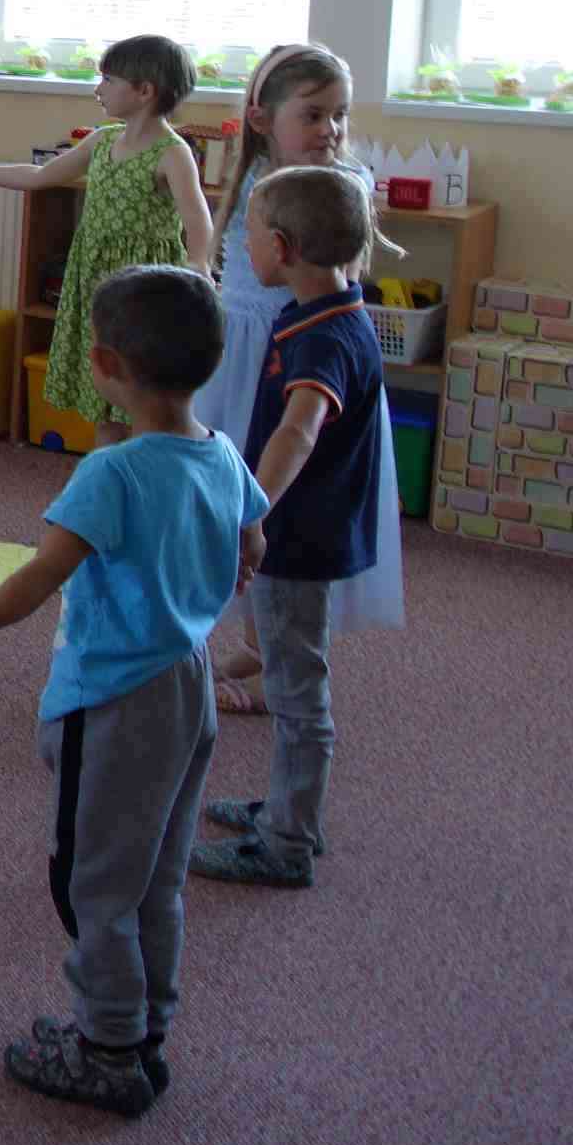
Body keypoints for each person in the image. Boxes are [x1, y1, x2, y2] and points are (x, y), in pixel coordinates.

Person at [0, 267, 267, 1118]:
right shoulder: (222, 454)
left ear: (104, 364)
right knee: (157, 876)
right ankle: (143, 1028)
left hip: (115, 702)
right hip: (189, 686)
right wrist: (213, 571)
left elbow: (39, 578)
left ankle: (107, 1049)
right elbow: (253, 544)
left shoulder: (112, 473)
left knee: (93, 884)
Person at [192, 167, 387, 893]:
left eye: (248, 235)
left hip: (297, 540)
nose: (243, 248)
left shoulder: (323, 338)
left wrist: (252, 510)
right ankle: (287, 809)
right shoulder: (326, 312)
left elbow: (299, 432)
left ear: (281, 247)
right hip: (308, 531)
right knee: (293, 674)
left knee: (298, 693)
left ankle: (288, 842)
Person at [196, 43, 405, 703]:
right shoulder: (252, 185)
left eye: (339, 115)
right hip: (243, 363)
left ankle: (280, 661)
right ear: (263, 119)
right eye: (313, 115)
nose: (331, 129)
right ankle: (258, 645)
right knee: (239, 500)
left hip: (306, 363)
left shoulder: (348, 182)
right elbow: (227, 273)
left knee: (292, 504)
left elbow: (345, 276)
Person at [0, 35, 215, 446]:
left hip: (143, 288)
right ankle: (105, 468)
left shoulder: (173, 152)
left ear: (144, 91)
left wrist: (199, 265)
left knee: (142, 391)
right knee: (105, 393)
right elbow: (40, 175)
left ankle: (143, 470)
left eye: (108, 80)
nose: (98, 89)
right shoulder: (102, 141)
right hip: (96, 280)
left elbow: (197, 217)